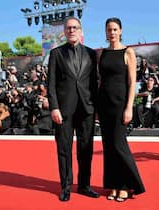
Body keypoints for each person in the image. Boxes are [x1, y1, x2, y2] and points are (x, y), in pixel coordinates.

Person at [47, 16, 99, 201]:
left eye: (75, 27)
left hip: (86, 109)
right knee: (64, 150)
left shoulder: (92, 54)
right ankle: (66, 187)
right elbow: (50, 83)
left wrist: (96, 108)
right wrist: (54, 107)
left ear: (81, 30)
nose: (71, 30)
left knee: (86, 149)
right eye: (68, 28)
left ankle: (84, 185)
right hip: (63, 110)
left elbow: (95, 83)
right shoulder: (56, 54)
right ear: (64, 31)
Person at [98, 17, 145, 202]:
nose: (112, 33)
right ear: (105, 32)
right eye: (109, 29)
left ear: (121, 31)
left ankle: (129, 185)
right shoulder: (102, 53)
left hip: (120, 104)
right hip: (104, 104)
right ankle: (115, 185)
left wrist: (129, 108)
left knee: (119, 145)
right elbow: (101, 81)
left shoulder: (128, 52)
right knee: (108, 147)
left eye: (115, 29)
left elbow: (132, 82)